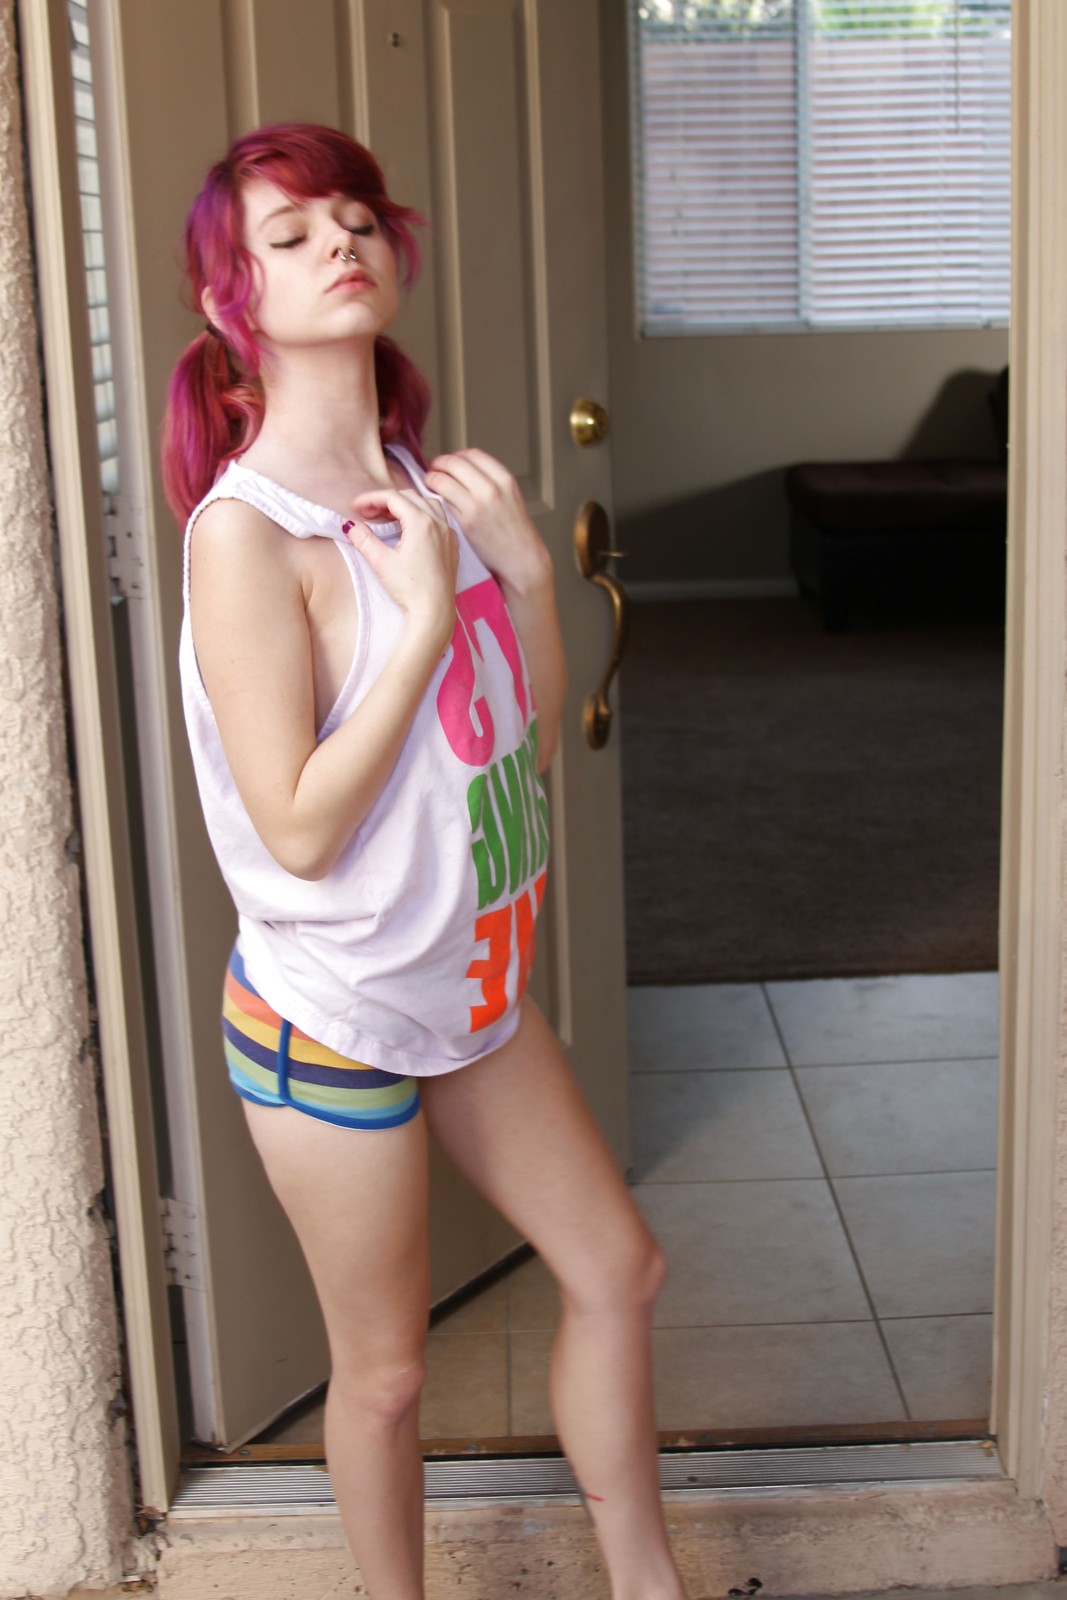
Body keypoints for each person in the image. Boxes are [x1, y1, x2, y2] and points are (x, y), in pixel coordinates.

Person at [163, 121, 690, 1600]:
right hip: (330, 1013)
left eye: (353, 215)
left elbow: (516, 750)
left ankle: (650, 1585)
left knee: (619, 1270)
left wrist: (519, 576)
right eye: (289, 235)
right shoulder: (246, 538)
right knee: (388, 1376)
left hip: (471, 985)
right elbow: (299, 826)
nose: (339, 239)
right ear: (232, 301)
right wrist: (416, 623)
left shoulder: (420, 481)